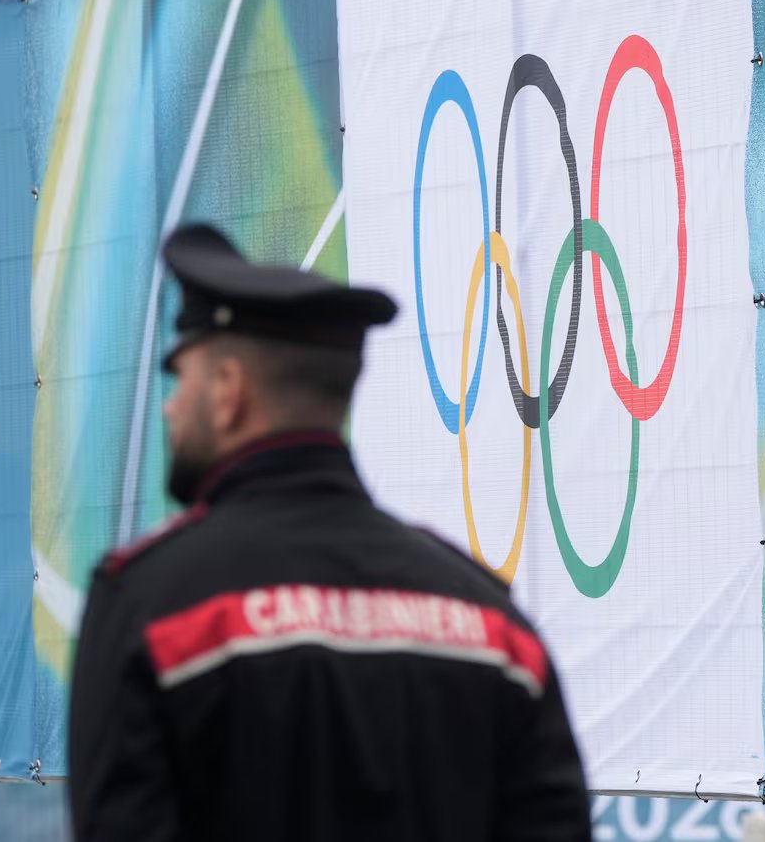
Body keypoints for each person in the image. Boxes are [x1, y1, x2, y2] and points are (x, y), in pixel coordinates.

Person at [69, 224, 591, 841]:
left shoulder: (150, 608)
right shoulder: (492, 626)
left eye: (181, 380)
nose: (170, 407)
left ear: (230, 392)